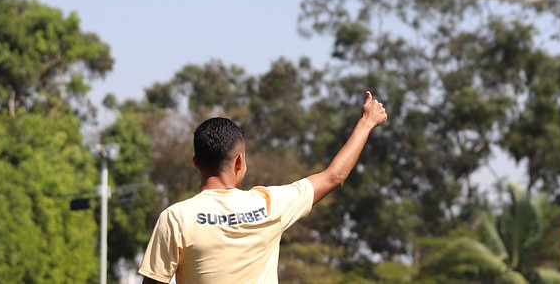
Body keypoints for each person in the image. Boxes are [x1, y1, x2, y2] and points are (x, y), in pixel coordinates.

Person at [139, 90, 388, 284]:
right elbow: (334, 176)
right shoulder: (269, 205)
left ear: (196, 163)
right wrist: (366, 122)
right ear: (239, 161)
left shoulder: (176, 218)